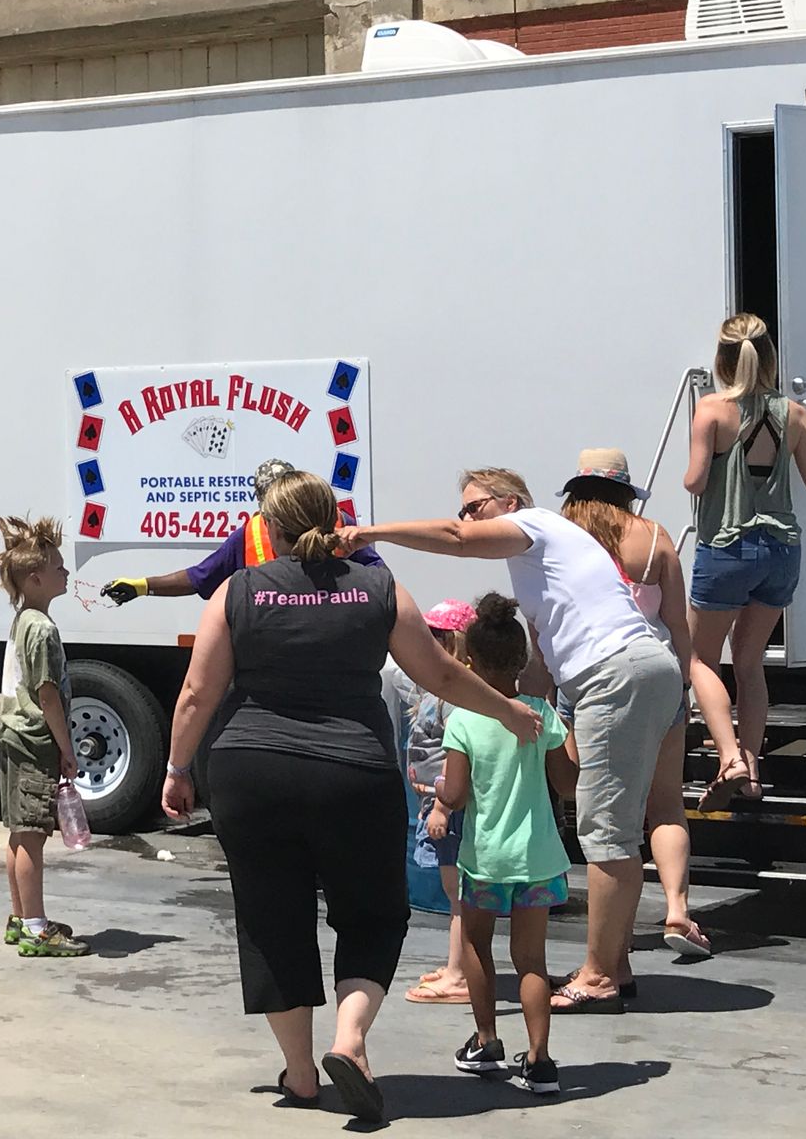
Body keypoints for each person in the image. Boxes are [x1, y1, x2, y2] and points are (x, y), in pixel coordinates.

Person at [161, 471, 541, 1123]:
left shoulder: (237, 592)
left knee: (271, 922)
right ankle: (351, 1038)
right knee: (371, 915)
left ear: (271, 530)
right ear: (331, 521)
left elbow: (198, 693)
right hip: (354, 775)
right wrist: (507, 710)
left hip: (251, 775)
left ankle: (303, 1075)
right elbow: (442, 673)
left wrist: (175, 769)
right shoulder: (379, 589)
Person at [339, 466, 684, 1015]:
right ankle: (613, 964)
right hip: (639, 669)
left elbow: (456, 542)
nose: (466, 520)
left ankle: (597, 977)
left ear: (511, 501)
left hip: (614, 672)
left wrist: (370, 534)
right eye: (464, 510)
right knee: (615, 821)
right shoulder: (542, 562)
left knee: (606, 830)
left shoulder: (537, 525)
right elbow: (542, 664)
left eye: (475, 507)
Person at [558, 448, 715, 958]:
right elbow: (676, 621)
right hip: (657, 675)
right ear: (627, 490)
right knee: (665, 802)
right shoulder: (653, 537)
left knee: (600, 809)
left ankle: (611, 941)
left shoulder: (567, 537)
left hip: (591, 681)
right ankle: (676, 907)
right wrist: (686, 685)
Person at [685, 313, 806, 800]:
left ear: (723, 359)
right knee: (749, 662)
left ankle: (727, 756)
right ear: (768, 356)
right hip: (780, 549)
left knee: (698, 658)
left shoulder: (711, 409)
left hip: (728, 546)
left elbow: (694, 480)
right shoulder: (792, 413)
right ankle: (751, 771)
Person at [440, 593, 577, 1096]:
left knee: (477, 942)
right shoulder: (542, 714)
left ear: (468, 660)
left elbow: (454, 794)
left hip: (487, 858)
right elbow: (566, 782)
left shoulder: (464, 720)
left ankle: (486, 1039)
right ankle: (540, 1061)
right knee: (532, 961)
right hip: (539, 858)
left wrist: (435, 791)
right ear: (522, 661)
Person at [0, 515, 92, 958]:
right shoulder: (43, 629)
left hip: (12, 736)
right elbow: (48, 694)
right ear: (36, 578)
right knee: (33, 835)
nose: (66, 572)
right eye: (59, 567)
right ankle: (35, 927)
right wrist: (66, 749)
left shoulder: (22, 620)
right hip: (35, 743)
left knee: (18, 833)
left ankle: (20, 916)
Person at [99, 457, 383, 605]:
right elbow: (201, 577)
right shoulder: (250, 534)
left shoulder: (338, 524)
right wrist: (143, 586)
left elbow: (380, 580)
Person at [402, 599, 476, 1005]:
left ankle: (459, 975)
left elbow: (455, 755)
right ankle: (456, 966)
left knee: (458, 891)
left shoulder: (453, 696)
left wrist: (442, 807)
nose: (424, 642)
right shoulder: (438, 689)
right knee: (455, 892)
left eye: (434, 636)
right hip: (436, 804)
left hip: (446, 808)